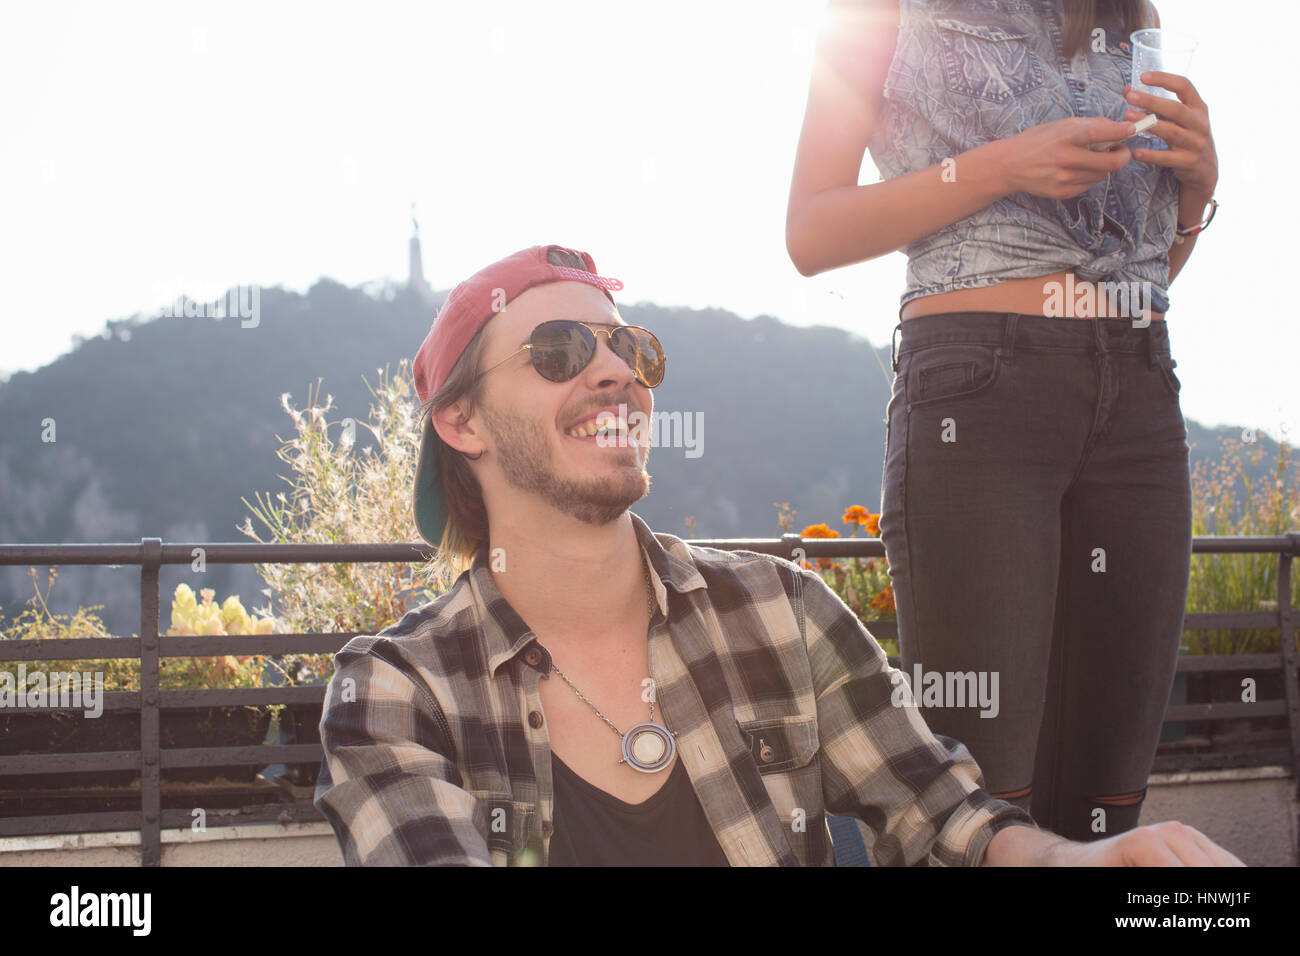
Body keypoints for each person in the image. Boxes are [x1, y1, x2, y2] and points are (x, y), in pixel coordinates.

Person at [313, 243, 1239, 866]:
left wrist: (1099, 859)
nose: (617, 372)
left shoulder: (778, 610)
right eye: (557, 350)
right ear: (461, 422)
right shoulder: (397, 693)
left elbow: (953, 822)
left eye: (627, 346)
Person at [785, 0, 1219, 841]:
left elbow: (1139, 264)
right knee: (981, 798)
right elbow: (810, 232)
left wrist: (1197, 190)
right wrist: (999, 167)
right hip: (981, 393)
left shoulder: (1131, 13)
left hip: (1139, 392)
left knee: (1111, 796)